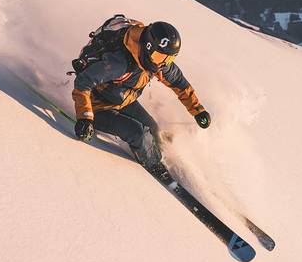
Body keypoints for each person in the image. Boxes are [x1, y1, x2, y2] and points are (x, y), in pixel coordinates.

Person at [72, 20, 211, 169]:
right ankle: (154, 164)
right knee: (138, 133)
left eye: (169, 59)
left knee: (153, 129)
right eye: (160, 57)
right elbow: (84, 81)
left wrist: (198, 110)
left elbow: (178, 83)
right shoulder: (120, 63)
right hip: (98, 108)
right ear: (148, 47)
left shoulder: (157, 61)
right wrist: (85, 118)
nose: (162, 64)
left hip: (123, 101)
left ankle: (162, 156)